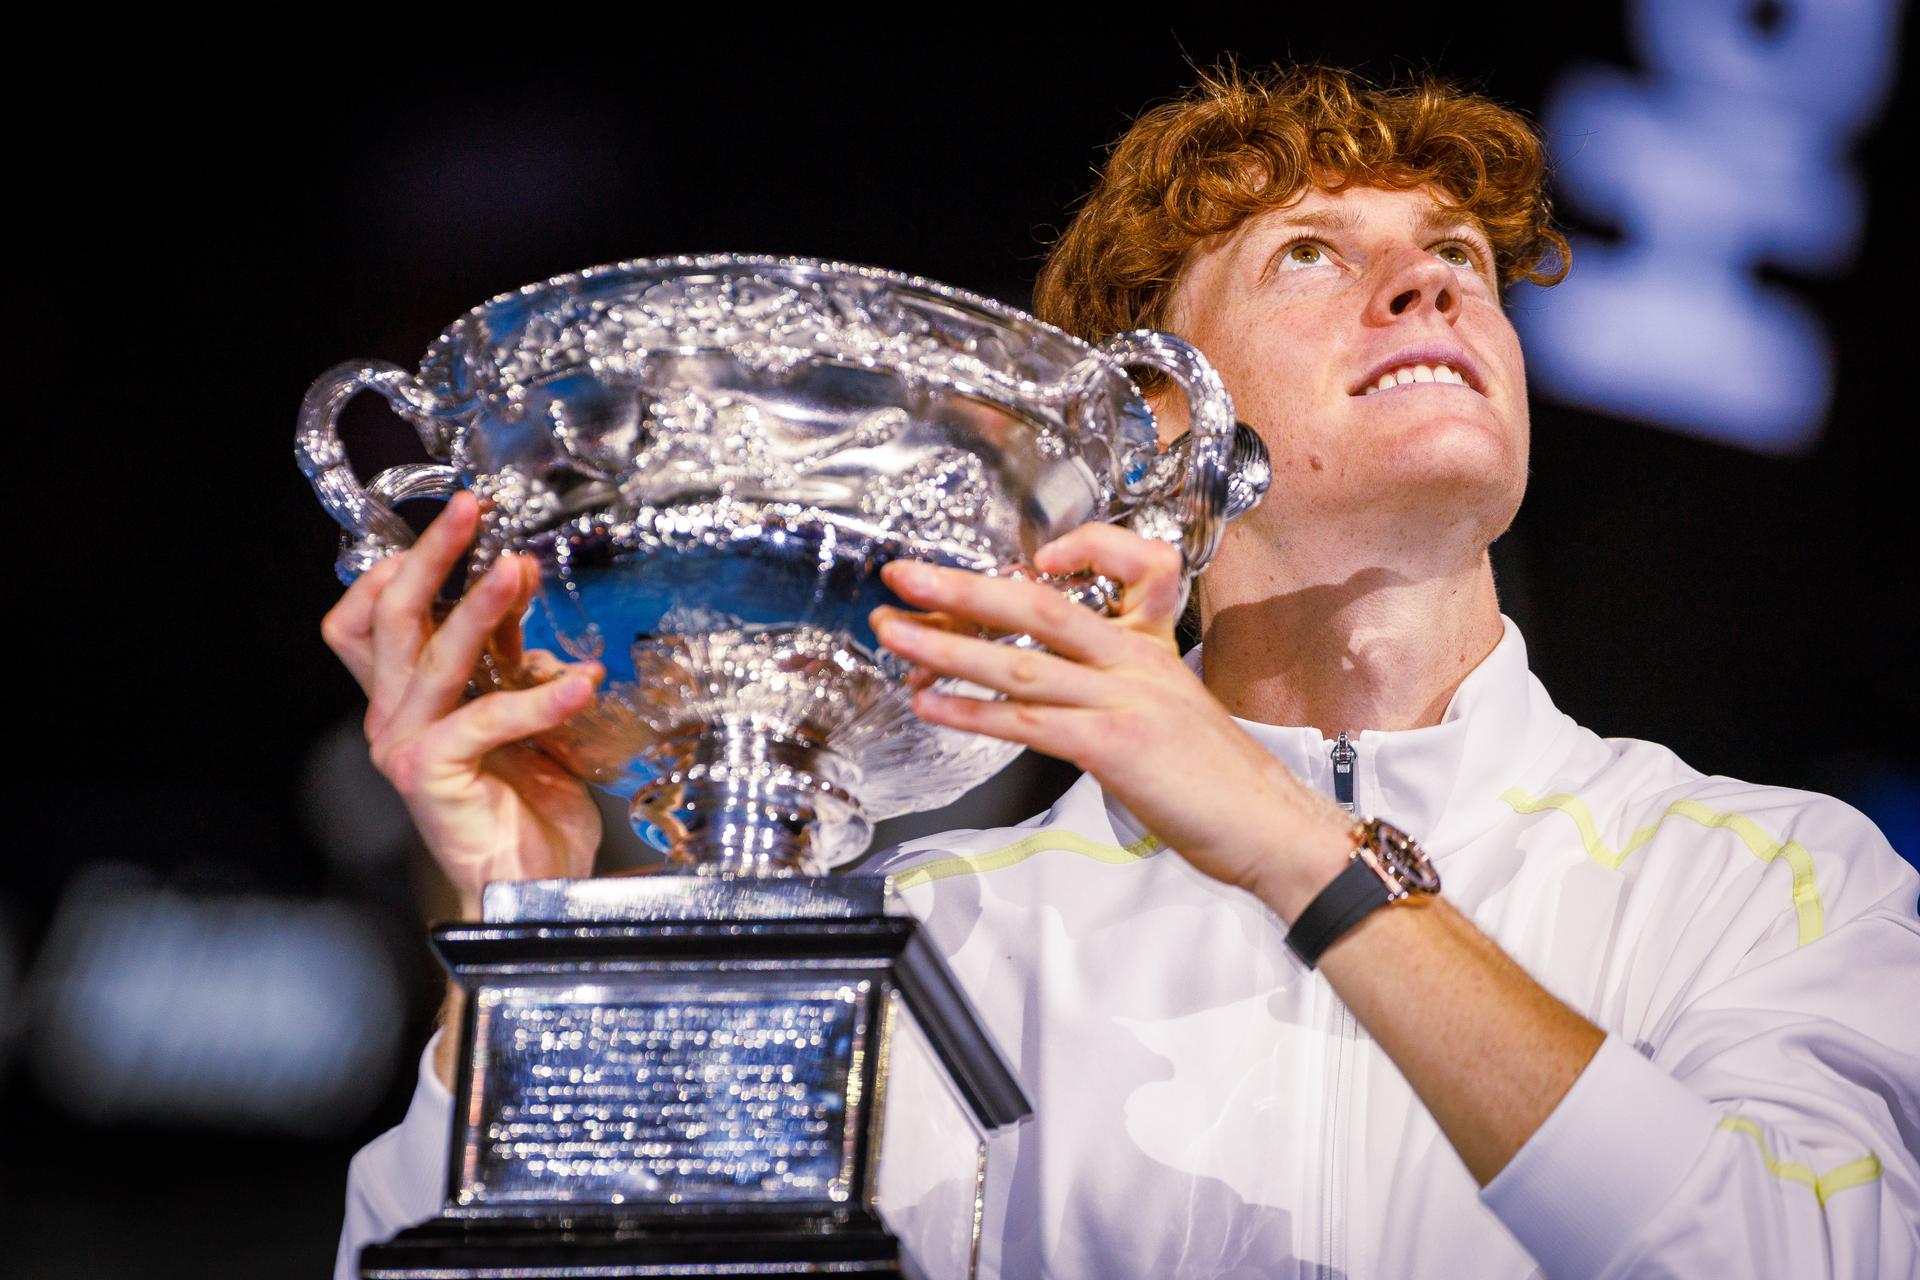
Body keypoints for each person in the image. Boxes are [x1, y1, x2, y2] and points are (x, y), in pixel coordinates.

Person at [324, 65, 1920, 1278]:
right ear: (1155, 430)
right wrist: (527, 951)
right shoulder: (944, 939)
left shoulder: (1770, 878)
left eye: (1455, 258)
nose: (1431, 282)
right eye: (1311, 255)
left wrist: (1299, 852)